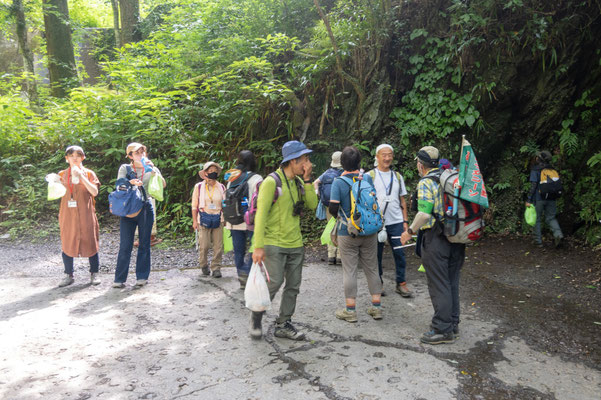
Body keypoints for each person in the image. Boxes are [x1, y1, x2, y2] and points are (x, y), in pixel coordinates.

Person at [250, 140, 318, 340]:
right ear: (293, 161)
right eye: (305, 159)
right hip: (274, 243)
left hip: (295, 243)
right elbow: (260, 215)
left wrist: (307, 180)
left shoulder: (298, 182)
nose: (308, 162)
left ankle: (283, 323)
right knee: (275, 282)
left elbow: (313, 205)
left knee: (293, 285)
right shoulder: (272, 182)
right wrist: (258, 246)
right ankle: (256, 316)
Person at [401, 146, 464, 345]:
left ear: (421, 165)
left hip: (436, 238)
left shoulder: (426, 182)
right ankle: (452, 323)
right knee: (452, 280)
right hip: (457, 235)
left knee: (439, 284)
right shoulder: (450, 177)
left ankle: (442, 329)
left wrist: (409, 232)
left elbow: (425, 213)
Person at [329, 146, 383, 322]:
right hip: (369, 230)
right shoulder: (366, 178)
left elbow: (333, 208)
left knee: (350, 271)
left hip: (348, 232)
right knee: (372, 268)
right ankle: (376, 307)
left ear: (342, 163)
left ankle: (350, 311)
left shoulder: (338, 182)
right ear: (359, 162)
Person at [113, 142, 166, 288]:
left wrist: (153, 171)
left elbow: (163, 185)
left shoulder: (151, 167)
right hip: (129, 207)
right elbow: (119, 185)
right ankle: (119, 279)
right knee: (125, 244)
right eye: (137, 153)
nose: (141, 155)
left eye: (143, 152)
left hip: (145, 206)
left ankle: (142, 277)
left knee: (144, 243)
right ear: (130, 155)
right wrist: (130, 182)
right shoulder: (126, 168)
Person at [367, 144, 412, 298]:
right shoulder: (370, 176)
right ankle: (378, 284)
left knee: (400, 253)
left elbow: (402, 201)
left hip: (396, 221)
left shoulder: (398, 176)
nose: (387, 158)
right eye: (383, 155)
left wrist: (405, 222)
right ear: (377, 157)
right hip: (376, 222)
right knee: (376, 255)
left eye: (389, 155)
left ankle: (401, 283)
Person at [55, 145, 101, 287]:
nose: (75, 159)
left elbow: (94, 192)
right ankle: (68, 274)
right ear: (66, 158)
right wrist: (53, 183)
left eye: (78, 156)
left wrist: (81, 176)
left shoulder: (89, 173)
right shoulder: (62, 174)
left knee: (91, 241)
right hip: (68, 215)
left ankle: (94, 273)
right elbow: (55, 194)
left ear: (83, 158)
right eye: (71, 156)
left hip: (86, 213)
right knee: (67, 241)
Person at [224, 151, 263, 288]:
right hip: (251, 220)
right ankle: (247, 272)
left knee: (238, 250)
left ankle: (242, 277)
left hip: (233, 221)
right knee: (254, 247)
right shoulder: (257, 178)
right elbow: (260, 200)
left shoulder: (232, 177)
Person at [192, 162, 226, 278]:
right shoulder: (199, 187)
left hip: (218, 218)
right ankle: (203, 264)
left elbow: (224, 204)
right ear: (205, 173)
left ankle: (216, 267)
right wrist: (194, 221)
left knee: (218, 245)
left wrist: (225, 219)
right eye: (211, 171)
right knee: (204, 245)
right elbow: (194, 205)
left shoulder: (221, 187)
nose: (213, 173)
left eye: (215, 171)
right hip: (203, 217)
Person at [526, 150, 564, 248]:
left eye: (537, 157)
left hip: (539, 199)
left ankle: (538, 242)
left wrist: (529, 199)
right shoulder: (552, 170)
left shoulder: (535, 170)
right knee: (551, 218)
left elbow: (533, 186)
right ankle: (558, 234)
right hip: (551, 198)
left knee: (537, 219)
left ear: (539, 159)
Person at [313, 151, 343, 265]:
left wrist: (319, 195)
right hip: (341, 205)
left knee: (331, 227)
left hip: (328, 205)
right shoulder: (344, 173)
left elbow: (316, 182)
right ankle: (340, 256)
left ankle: (331, 255)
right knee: (341, 228)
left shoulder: (327, 173)